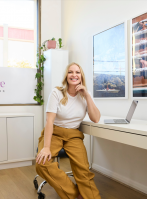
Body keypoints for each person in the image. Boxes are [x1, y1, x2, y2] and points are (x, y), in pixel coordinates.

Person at [35, 62, 101, 199]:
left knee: (83, 170)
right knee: (42, 164)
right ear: (66, 76)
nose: (74, 75)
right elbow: (49, 121)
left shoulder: (85, 96)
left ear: (81, 76)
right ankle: (75, 194)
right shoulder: (57, 93)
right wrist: (46, 147)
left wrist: (87, 95)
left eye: (77, 72)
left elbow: (96, 118)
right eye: (71, 72)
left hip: (73, 135)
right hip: (55, 132)